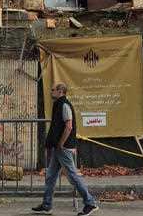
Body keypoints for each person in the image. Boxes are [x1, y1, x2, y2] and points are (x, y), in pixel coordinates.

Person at [32, 83, 99, 215]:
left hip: (63, 148)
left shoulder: (64, 105)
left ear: (60, 91)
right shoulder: (59, 105)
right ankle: (47, 205)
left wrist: (61, 143)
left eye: (53, 90)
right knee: (51, 176)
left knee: (73, 176)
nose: (51, 92)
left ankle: (90, 203)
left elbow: (69, 127)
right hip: (59, 148)